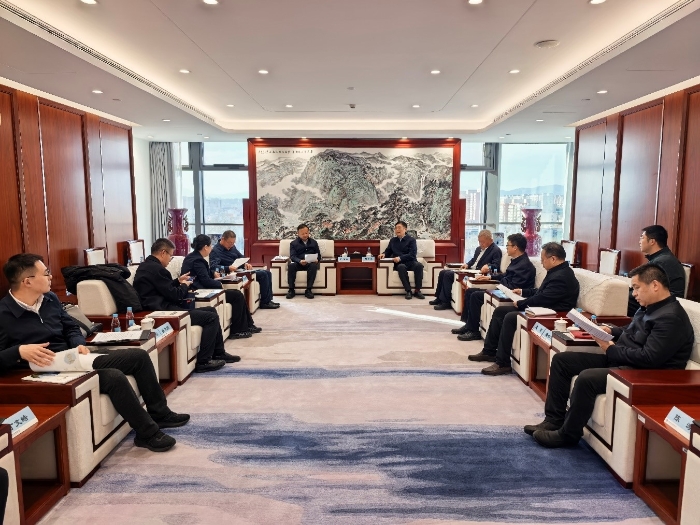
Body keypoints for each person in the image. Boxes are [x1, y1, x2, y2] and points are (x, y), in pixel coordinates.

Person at [0, 254, 188, 453]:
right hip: (42, 371)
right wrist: (19, 351)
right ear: (27, 281)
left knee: (138, 356)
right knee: (113, 377)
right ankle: (147, 434)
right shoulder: (3, 314)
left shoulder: (50, 299)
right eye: (46, 273)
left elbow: (71, 327)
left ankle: (160, 413)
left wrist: (78, 344)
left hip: (72, 358)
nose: (51, 277)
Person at [527, 263, 694, 448]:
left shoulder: (671, 318)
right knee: (562, 361)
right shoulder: (650, 307)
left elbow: (649, 358)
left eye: (637, 288)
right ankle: (553, 420)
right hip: (623, 361)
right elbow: (632, 331)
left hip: (643, 373)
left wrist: (610, 349)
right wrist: (611, 331)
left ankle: (568, 435)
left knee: (587, 378)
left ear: (655, 285)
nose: (634, 294)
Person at [475, 242, 580, 375]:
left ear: (553, 259)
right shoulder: (557, 271)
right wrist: (523, 292)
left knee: (510, 317)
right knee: (501, 311)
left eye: (543, 260)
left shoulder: (562, 277)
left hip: (553, 313)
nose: (541, 263)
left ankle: (503, 363)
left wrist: (521, 303)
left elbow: (543, 298)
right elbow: (542, 292)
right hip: (544, 308)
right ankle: (489, 351)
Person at [133, 238, 233, 373]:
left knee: (211, 310)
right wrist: (184, 286)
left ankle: (219, 352)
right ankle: (204, 361)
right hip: (162, 311)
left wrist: (177, 281)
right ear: (163, 253)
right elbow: (176, 295)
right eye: (170, 255)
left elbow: (163, 288)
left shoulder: (147, 266)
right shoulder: (158, 269)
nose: (170, 260)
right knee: (211, 318)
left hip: (158, 307)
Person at [454, 233, 536, 342]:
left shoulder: (525, 265)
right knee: (470, 292)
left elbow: (513, 286)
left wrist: (499, 282)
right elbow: (505, 276)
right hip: (503, 290)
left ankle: (474, 331)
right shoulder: (516, 260)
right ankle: (468, 325)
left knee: (475, 296)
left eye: (508, 245)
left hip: (511, 296)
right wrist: (490, 277)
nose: (506, 247)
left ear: (515, 247)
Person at [182, 234, 260, 339]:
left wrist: (213, 273)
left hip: (204, 287)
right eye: (210, 246)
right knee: (236, 296)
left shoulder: (194, 257)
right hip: (200, 291)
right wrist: (219, 284)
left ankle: (248, 325)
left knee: (237, 294)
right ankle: (237, 330)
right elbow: (205, 280)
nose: (211, 248)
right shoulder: (197, 260)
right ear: (205, 247)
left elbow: (205, 273)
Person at [430, 229, 502, 310]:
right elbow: (473, 260)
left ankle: (445, 302)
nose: (481, 244)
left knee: (448, 274)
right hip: (470, 270)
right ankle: (438, 298)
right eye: (479, 241)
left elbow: (496, 266)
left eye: (483, 242)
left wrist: (488, 266)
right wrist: (467, 264)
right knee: (443, 272)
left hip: (478, 273)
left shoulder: (496, 250)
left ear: (491, 240)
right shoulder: (478, 249)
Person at [209, 230, 279, 310]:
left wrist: (245, 263)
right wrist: (228, 268)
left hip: (240, 271)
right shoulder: (215, 251)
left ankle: (268, 300)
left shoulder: (232, 247)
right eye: (229, 243)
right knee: (263, 275)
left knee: (267, 273)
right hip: (231, 275)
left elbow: (241, 257)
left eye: (233, 243)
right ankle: (264, 303)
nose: (231, 245)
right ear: (223, 239)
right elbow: (214, 267)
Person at [627, 225, 686, 316]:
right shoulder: (660, 258)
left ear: (652, 241)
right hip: (656, 300)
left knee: (616, 300)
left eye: (642, 238)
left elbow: (646, 289)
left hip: (662, 306)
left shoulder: (663, 261)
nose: (639, 241)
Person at [379, 221, 425, 300]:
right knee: (401, 267)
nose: (397, 230)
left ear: (405, 229)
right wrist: (383, 254)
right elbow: (388, 251)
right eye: (396, 228)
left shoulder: (411, 240)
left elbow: (412, 254)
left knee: (419, 266)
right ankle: (408, 291)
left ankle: (417, 291)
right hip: (399, 263)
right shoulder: (393, 240)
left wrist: (400, 258)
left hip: (411, 261)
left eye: (399, 228)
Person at [287, 224, 322, 299]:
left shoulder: (314, 242)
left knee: (313, 266)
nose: (305, 235)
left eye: (306, 233)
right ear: (298, 233)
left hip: (310, 264)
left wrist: (317, 259)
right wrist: (299, 261)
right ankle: (291, 290)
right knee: (291, 266)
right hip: (298, 263)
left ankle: (308, 290)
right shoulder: (293, 243)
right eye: (303, 234)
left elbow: (319, 255)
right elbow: (292, 256)